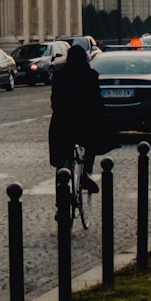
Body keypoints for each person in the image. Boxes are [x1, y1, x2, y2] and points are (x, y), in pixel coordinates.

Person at [48, 44, 106, 193]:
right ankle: (86, 171)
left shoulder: (60, 75)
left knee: (62, 157)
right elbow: (96, 102)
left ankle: (60, 196)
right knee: (92, 142)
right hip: (84, 125)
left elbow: (55, 101)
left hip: (63, 124)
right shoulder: (91, 75)